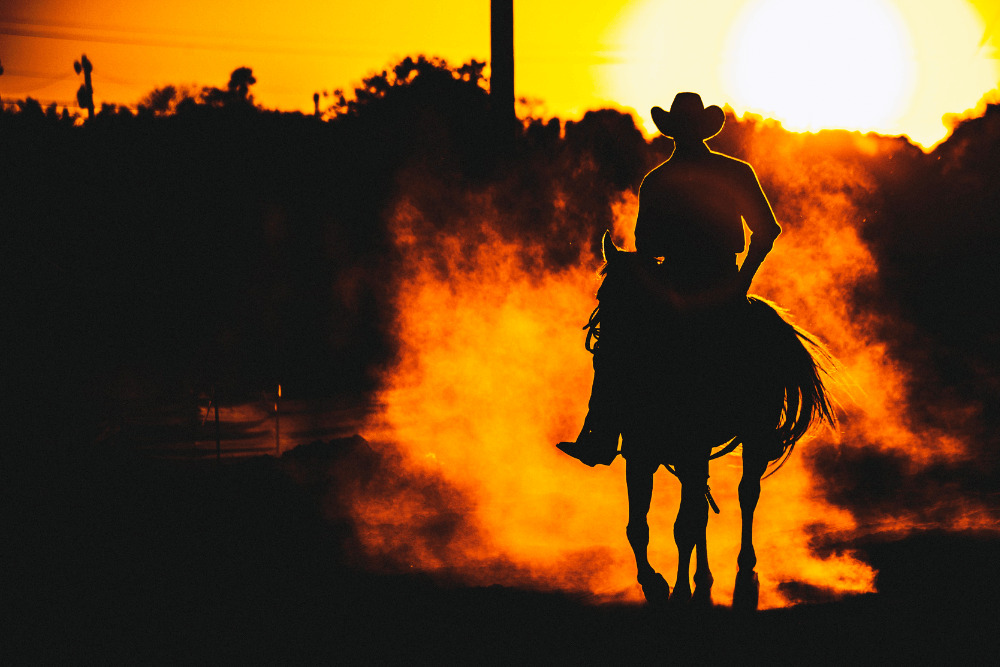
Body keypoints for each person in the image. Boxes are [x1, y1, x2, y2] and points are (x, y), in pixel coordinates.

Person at [558, 92, 781, 466]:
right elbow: (766, 231)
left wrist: (739, 284)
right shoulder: (726, 173)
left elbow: (648, 248)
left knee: (617, 348)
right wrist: (739, 284)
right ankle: (603, 430)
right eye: (686, 128)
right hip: (706, 280)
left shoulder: (660, 180)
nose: (689, 134)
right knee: (614, 344)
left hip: (692, 281)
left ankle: (601, 432)